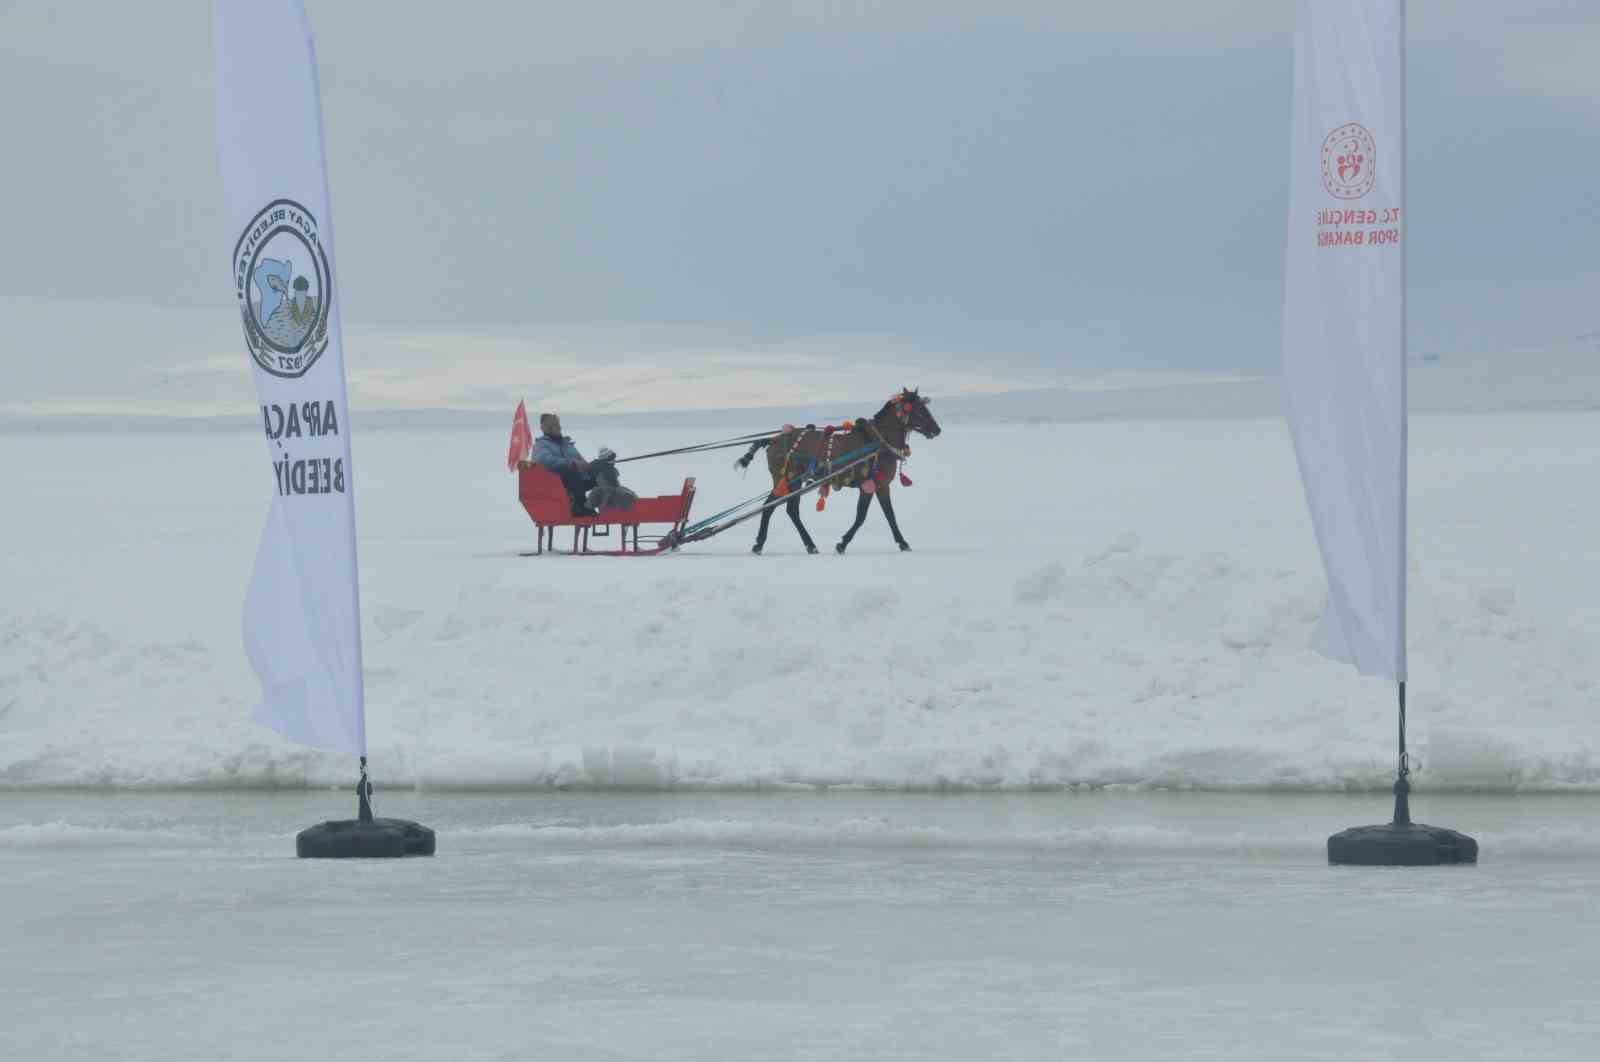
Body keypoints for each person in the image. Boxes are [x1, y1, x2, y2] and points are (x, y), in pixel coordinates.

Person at [529, 413, 597, 516]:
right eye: (552, 425)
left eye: (557, 424)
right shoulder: (541, 445)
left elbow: (580, 461)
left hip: (577, 479)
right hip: (556, 482)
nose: (557, 427)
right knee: (570, 471)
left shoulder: (567, 444)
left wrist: (591, 466)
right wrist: (570, 463)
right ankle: (579, 506)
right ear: (545, 428)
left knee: (600, 473)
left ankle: (607, 505)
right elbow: (544, 461)